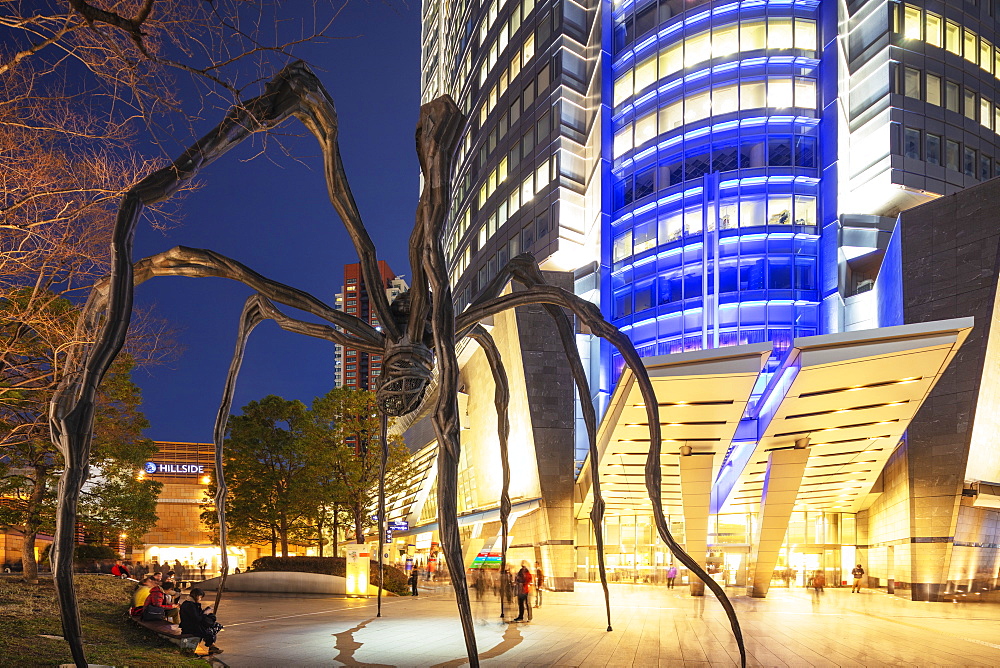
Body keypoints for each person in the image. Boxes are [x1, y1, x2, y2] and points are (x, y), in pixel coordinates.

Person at [180, 587, 224, 655]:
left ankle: (212, 646)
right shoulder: (190, 605)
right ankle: (211, 646)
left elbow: (197, 616)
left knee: (214, 626)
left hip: (193, 624)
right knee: (211, 628)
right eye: (200, 597)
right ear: (197, 596)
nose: (200, 599)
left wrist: (205, 612)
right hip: (190, 627)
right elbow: (197, 619)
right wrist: (205, 613)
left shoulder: (191, 603)